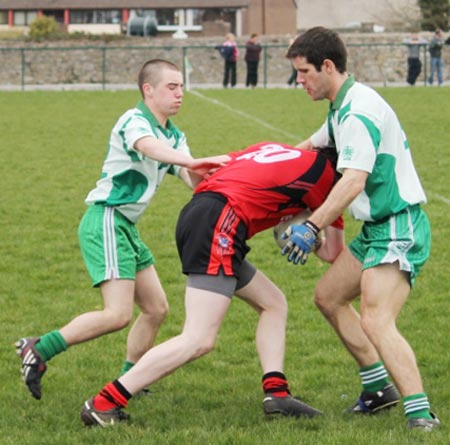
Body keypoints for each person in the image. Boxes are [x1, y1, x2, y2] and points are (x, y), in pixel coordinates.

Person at [79, 141, 345, 427]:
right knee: (198, 339)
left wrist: (288, 216)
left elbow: (213, 170)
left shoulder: (275, 148)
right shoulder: (327, 179)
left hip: (201, 213)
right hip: (221, 223)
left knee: (273, 303)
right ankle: (104, 403)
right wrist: (310, 230)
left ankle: (276, 395)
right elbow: (332, 253)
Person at [15, 59, 227, 401]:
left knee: (156, 309)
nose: (180, 94)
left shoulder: (173, 134)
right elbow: (148, 148)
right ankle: (38, 348)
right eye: (172, 87)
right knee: (117, 314)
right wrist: (188, 161)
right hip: (106, 219)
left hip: (125, 226)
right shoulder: (135, 121)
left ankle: (132, 379)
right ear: (149, 90)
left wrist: (227, 184)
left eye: (181, 87)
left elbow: (191, 177)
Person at [285, 26, 439, 431]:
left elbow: (353, 179)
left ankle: (422, 415)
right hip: (375, 230)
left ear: (328, 66)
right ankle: (377, 390)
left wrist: (311, 226)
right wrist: (247, 164)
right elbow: (307, 148)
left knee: (376, 319)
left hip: (398, 226)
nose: (299, 81)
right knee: (328, 297)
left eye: (304, 72)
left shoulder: (357, 111)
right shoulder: (342, 107)